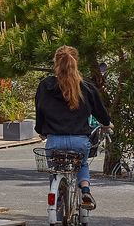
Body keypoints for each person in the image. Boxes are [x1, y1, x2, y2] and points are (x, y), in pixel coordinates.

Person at [35, 46, 111, 209]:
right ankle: (85, 191)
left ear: (55, 62)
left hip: (54, 141)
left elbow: (40, 111)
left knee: (55, 169)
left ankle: (58, 200)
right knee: (82, 164)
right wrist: (107, 124)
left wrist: (41, 131)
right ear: (76, 63)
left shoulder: (46, 86)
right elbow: (101, 113)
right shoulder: (87, 87)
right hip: (79, 142)